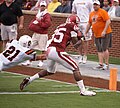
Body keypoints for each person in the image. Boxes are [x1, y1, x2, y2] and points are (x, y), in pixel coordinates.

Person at [20, 14, 96, 96]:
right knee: (75, 68)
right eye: (76, 23)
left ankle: (30, 79)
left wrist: (77, 38)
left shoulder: (60, 26)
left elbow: (70, 40)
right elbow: (76, 45)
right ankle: (83, 91)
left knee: (50, 71)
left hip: (49, 49)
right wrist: (81, 38)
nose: (77, 25)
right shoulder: (72, 25)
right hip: (57, 50)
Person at [22, 1, 52, 66]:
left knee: (42, 49)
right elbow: (33, 23)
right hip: (36, 33)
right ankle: (29, 60)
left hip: (42, 34)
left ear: (46, 7)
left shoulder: (47, 15)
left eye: (43, 6)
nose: (42, 7)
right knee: (30, 46)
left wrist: (39, 23)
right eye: (41, 6)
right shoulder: (38, 14)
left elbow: (47, 24)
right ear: (40, 6)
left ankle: (41, 61)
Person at [85, 0, 112, 70]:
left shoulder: (102, 12)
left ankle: (106, 64)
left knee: (104, 48)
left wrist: (104, 31)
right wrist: (86, 32)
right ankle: (101, 64)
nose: (95, 6)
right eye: (94, 5)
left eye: (96, 5)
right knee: (99, 49)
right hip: (97, 34)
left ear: (99, 5)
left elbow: (108, 21)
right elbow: (89, 23)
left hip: (105, 33)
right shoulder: (91, 14)